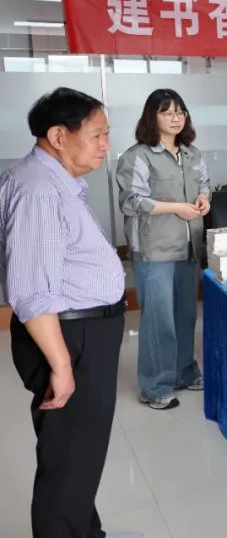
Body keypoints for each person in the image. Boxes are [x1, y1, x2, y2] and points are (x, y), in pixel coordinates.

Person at [1, 88, 127, 538]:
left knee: (78, 457)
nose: (105, 145)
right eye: (97, 134)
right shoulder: (38, 190)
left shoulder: (54, 181)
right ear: (58, 136)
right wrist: (61, 365)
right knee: (69, 463)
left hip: (80, 333)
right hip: (71, 339)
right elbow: (32, 291)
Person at [116, 89, 210, 411]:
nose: (176, 117)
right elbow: (131, 201)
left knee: (186, 316)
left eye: (180, 111)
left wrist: (204, 199)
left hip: (188, 246)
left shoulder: (193, 154)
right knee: (159, 321)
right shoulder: (138, 156)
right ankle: (155, 385)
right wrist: (175, 208)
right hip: (154, 250)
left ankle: (184, 371)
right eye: (167, 112)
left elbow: (204, 185)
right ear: (151, 117)